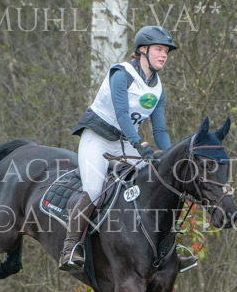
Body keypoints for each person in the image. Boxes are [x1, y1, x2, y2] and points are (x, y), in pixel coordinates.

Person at [59, 26, 198, 272]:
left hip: (124, 143)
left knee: (161, 183)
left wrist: (170, 159)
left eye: (166, 52)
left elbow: (160, 130)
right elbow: (122, 115)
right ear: (142, 50)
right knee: (94, 190)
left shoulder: (158, 89)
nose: (163, 55)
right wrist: (140, 145)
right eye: (159, 49)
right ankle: (70, 247)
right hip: (98, 138)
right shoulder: (122, 75)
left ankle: (170, 252)